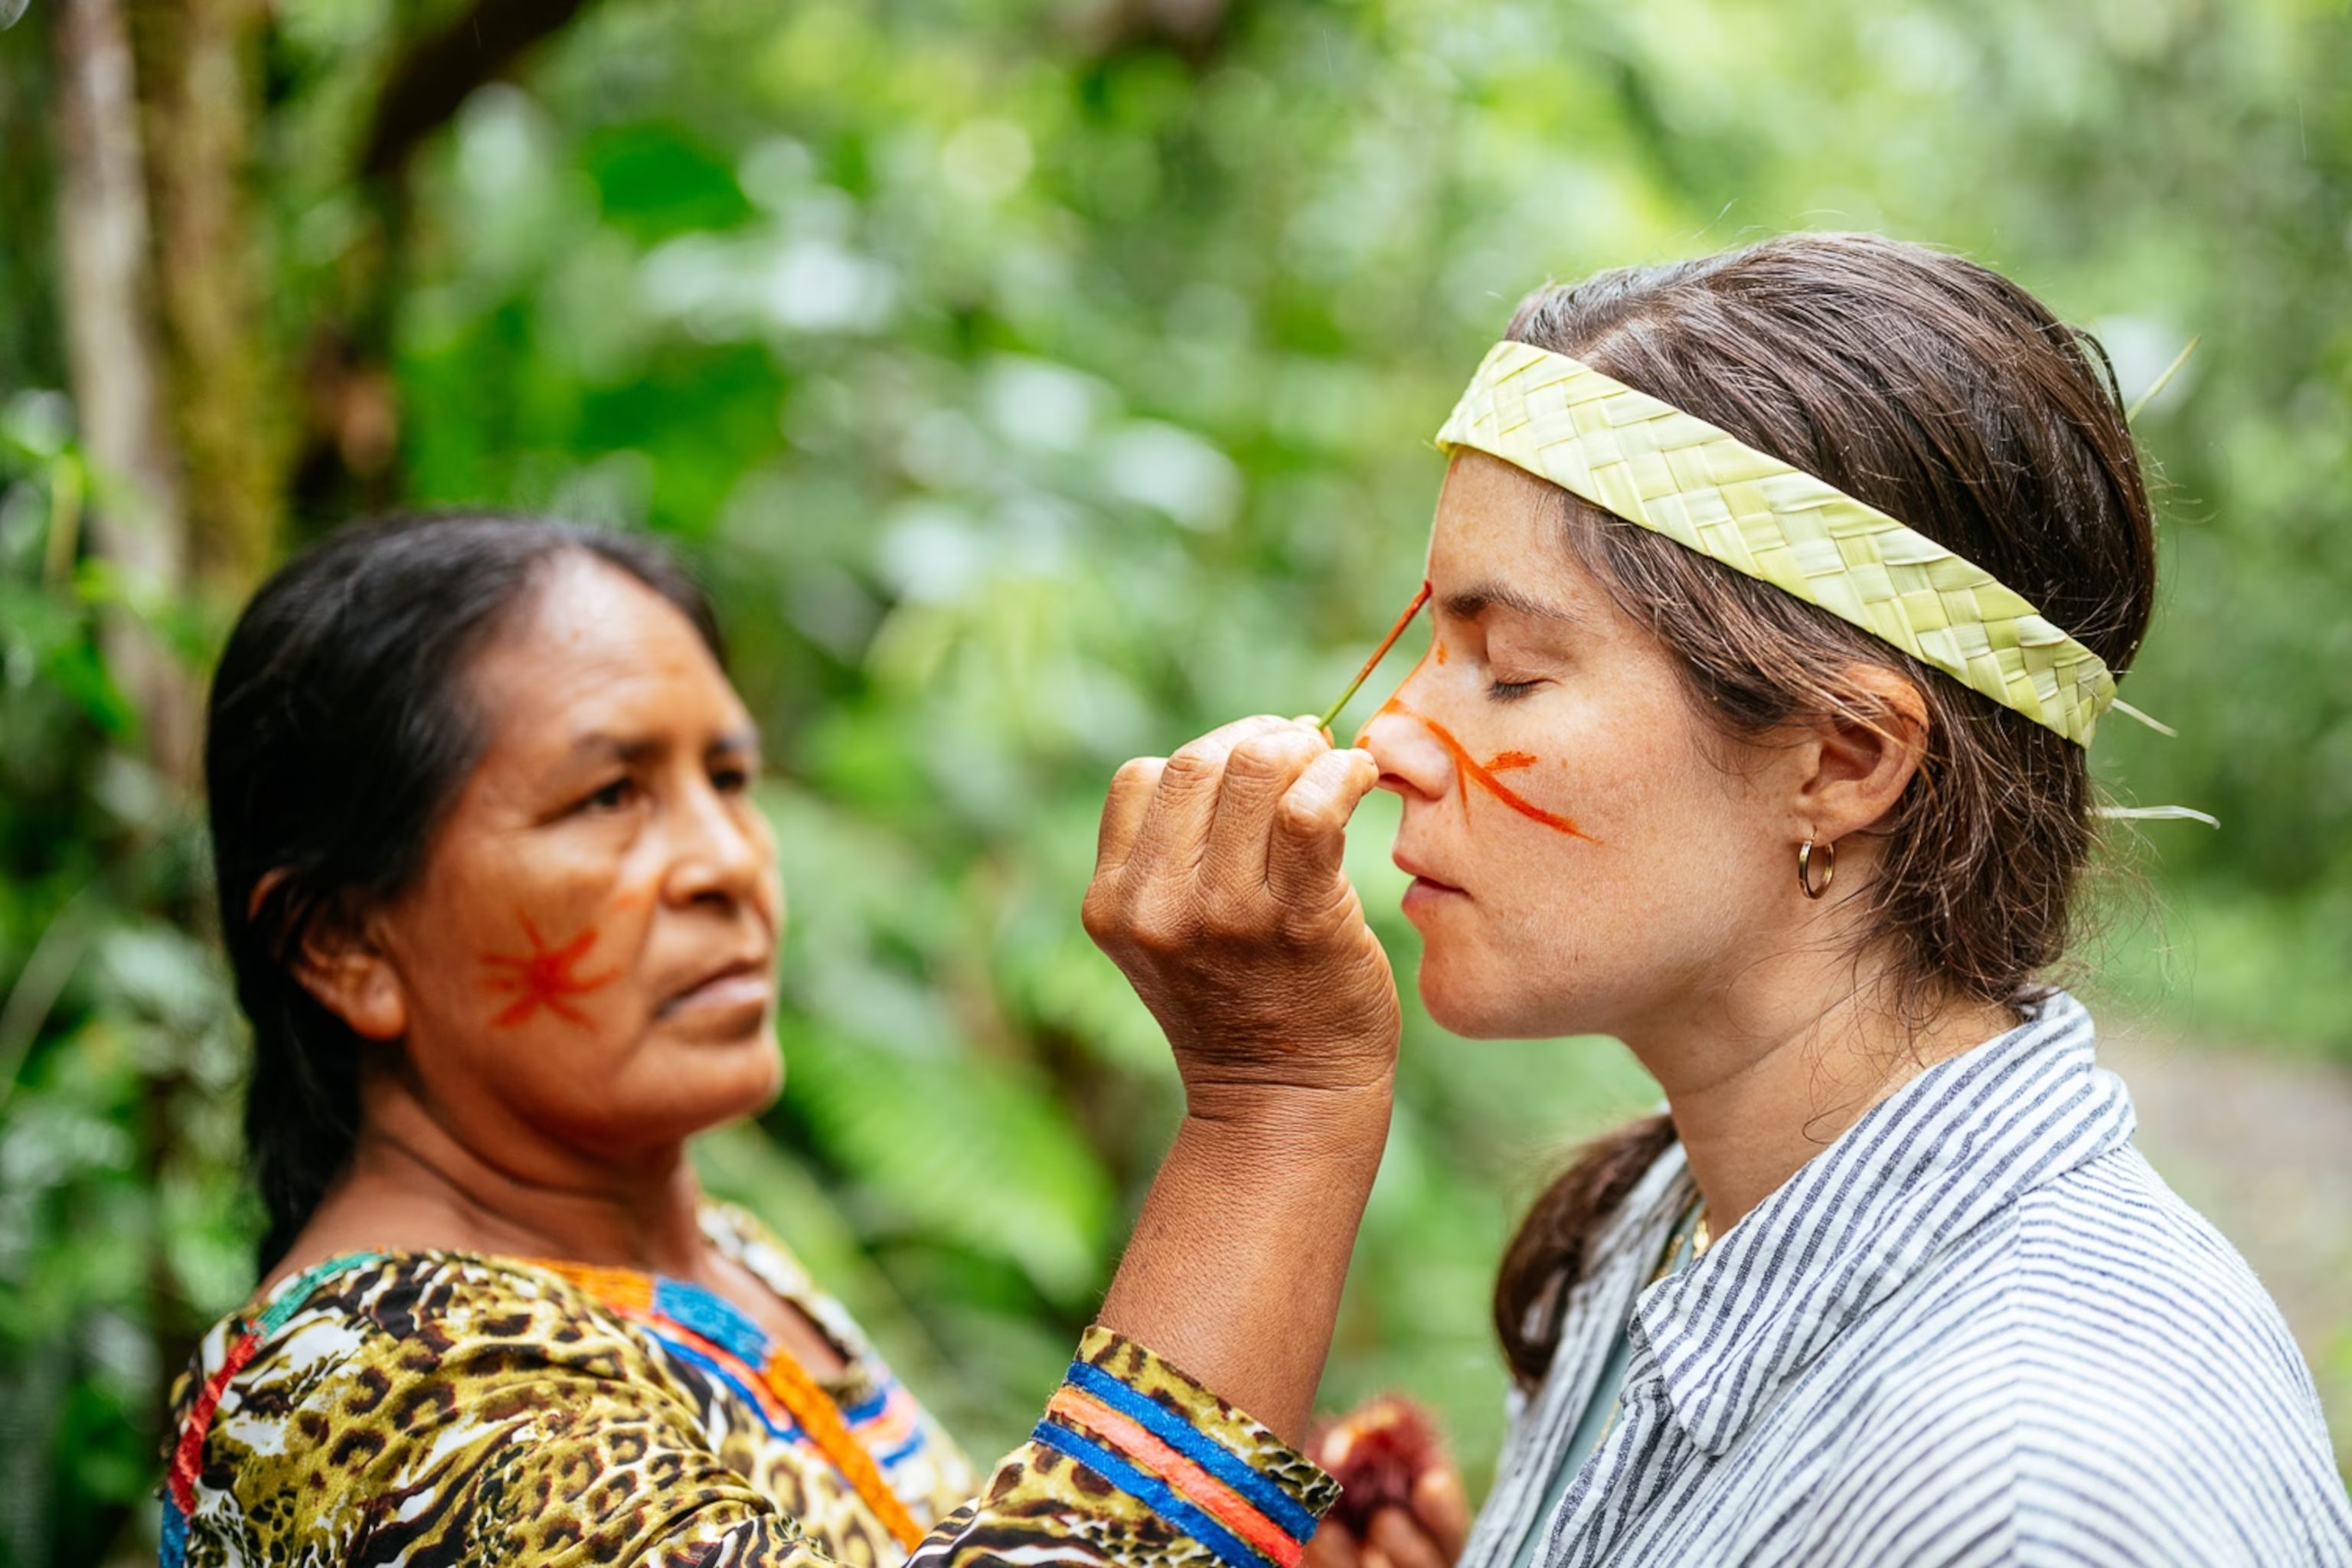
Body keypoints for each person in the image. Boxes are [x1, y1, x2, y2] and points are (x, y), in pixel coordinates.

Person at [1307, 234, 2352, 1567]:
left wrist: (1271, 1109)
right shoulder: (1675, 1221)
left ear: (1844, 760)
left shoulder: (2025, 1498)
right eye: (1433, 648)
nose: (1391, 738)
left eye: (1509, 670)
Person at [168, 512, 1403, 1566]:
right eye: (609, 797)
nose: (725, 863)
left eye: (732, 778)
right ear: (345, 947)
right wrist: (1275, 1099)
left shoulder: (724, 1262)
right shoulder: (371, 1377)